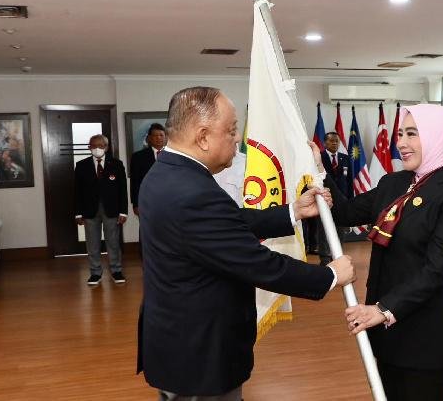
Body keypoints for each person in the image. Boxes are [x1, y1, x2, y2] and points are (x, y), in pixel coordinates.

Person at [136, 86, 355, 401]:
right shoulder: (191, 191)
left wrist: (292, 211)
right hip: (200, 356)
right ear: (203, 137)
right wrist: (330, 275)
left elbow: (224, 222)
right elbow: (258, 264)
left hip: (179, 339)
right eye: (231, 130)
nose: (237, 139)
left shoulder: (167, 173)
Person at [314, 104, 443, 401]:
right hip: (387, 329)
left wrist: (382, 309)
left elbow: (440, 268)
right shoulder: (395, 182)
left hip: (429, 334)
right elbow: (347, 212)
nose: (401, 142)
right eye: (400, 134)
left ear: (438, 137)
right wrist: (319, 169)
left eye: (412, 134)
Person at [74, 134, 128, 285]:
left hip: (112, 209)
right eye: (94, 146)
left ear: (107, 147)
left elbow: (123, 190)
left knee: (113, 241)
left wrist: (123, 211)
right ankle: (95, 273)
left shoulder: (116, 164)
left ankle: (116, 271)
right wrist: (78, 213)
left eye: (101, 145)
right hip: (89, 210)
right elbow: (77, 191)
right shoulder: (81, 165)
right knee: (92, 243)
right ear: (89, 147)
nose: (97, 148)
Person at [317, 131, 353, 265]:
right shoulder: (319, 158)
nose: (335, 143)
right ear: (325, 143)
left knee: (340, 229)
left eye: (337, 141)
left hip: (342, 201)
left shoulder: (345, 158)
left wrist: (350, 200)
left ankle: (337, 256)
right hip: (324, 198)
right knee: (324, 228)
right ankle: (325, 258)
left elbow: (349, 181)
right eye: (332, 141)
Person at [130, 123, 166, 216]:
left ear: (165, 137)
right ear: (149, 138)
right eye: (155, 135)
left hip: (169, 201)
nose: (158, 138)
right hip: (146, 201)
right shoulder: (138, 157)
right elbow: (135, 182)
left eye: (161, 135)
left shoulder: (174, 156)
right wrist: (136, 204)